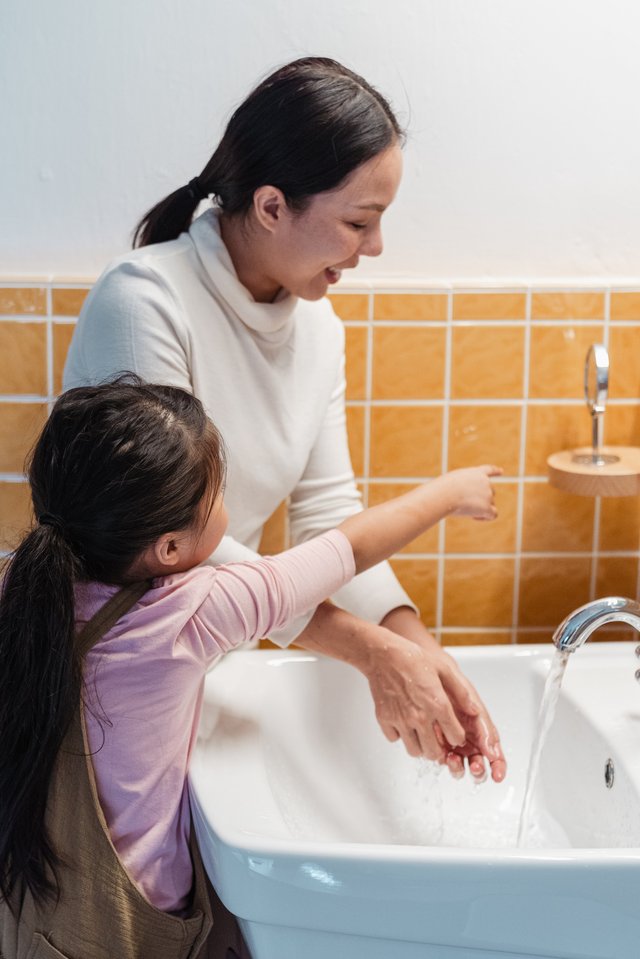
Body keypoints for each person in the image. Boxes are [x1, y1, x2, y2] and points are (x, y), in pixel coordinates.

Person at [64, 56, 507, 783]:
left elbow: (328, 512)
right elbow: (172, 544)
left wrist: (414, 644)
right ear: (272, 206)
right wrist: (370, 652)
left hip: (212, 670)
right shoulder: (144, 303)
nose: (375, 248)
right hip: (114, 694)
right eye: (359, 221)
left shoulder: (319, 328)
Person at [0, 378, 500, 956]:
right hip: (127, 927)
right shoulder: (191, 612)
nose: (226, 508)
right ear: (169, 549)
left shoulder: (18, 589)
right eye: (217, 495)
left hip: (27, 904)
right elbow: (348, 550)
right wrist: (449, 493)